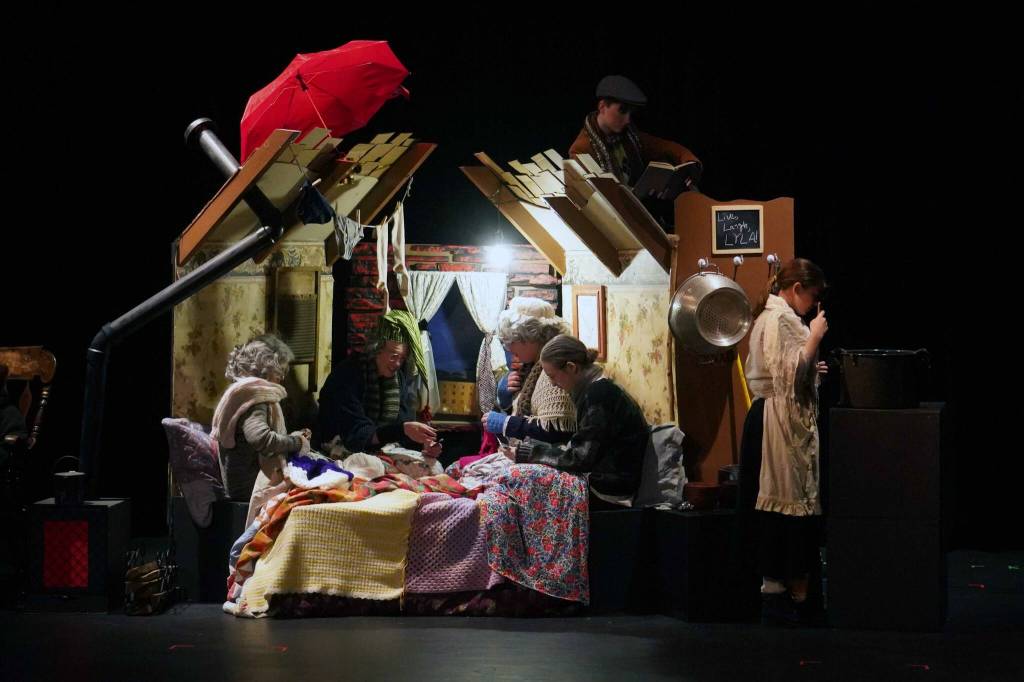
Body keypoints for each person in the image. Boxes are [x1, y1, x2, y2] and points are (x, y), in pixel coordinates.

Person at [738, 257, 829, 626]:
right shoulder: (782, 318)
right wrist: (815, 336)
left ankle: (780, 588)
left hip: (767, 416)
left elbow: (786, 367)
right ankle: (790, 591)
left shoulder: (770, 316)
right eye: (812, 296)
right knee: (787, 505)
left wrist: (810, 363)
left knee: (775, 506)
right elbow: (788, 376)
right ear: (796, 290)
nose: (813, 304)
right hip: (777, 421)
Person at [511, 334, 649, 508]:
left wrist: (530, 453)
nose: (553, 384)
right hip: (605, 479)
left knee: (521, 481)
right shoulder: (595, 390)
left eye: (552, 376)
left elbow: (581, 458)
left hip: (610, 489)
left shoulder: (600, 395)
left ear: (571, 368)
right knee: (524, 475)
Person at [315, 310, 441, 459]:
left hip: (379, 450)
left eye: (402, 358)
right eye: (394, 356)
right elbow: (356, 435)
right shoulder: (348, 374)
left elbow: (403, 425)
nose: (398, 364)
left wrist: (425, 444)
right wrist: (402, 430)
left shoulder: (397, 378)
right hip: (337, 448)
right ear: (376, 348)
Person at [211, 334, 309, 502]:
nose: (282, 377)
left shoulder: (242, 394)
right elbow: (262, 439)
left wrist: (293, 438)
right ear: (269, 368)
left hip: (240, 484)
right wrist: (297, 442)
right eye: (281, 370)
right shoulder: (255, 398)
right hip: (250, 487)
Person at [569, 75, 701, 189]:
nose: (627, 120)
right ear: (602, 107)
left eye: (630, 113)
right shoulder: (581, 149)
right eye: (622, 110)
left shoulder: (630, 136)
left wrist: (690, 164)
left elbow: (665, 146)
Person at [480, 297, 575, 445]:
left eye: (512, 341)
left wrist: (507, 423)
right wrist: (506, 397)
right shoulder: (531, 367)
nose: (508, 348)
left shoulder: (553, 371)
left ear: (531, 337)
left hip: (544, 458)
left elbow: (555, 431)